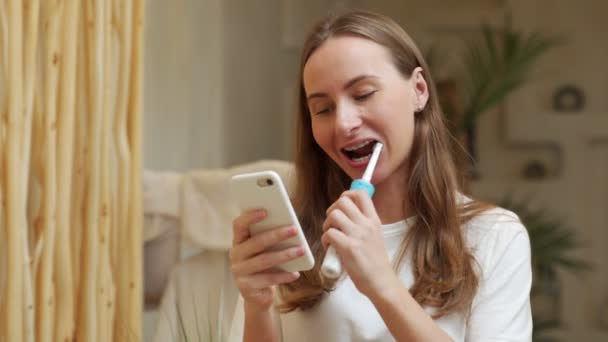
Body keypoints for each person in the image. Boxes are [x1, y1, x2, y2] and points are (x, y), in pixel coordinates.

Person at [229, 9, 532, 342]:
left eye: (363, 94)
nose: (344, 123)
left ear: (419, 90)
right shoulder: (290, 242)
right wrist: (256, 307)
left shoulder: (494, 237)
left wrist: (381, 284)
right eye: (323, 109)